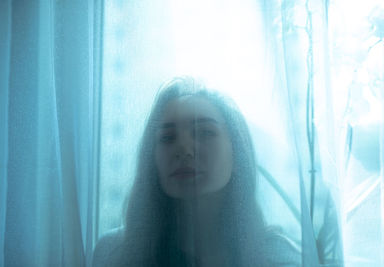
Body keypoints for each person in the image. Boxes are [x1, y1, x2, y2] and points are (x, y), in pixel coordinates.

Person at [93, 77, 301, 267]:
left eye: (205, 132)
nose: (184, 148)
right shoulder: (115, 254)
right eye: (167, 137)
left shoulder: (279, 257)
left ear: (237, 151)